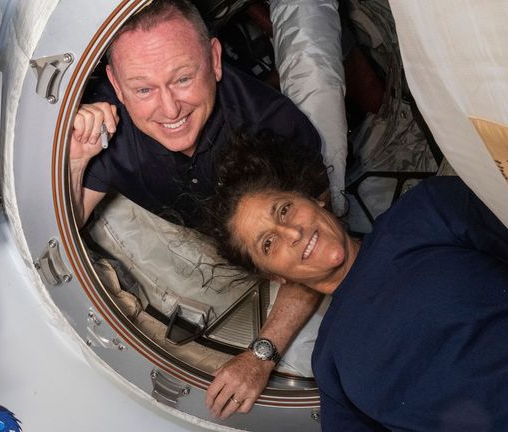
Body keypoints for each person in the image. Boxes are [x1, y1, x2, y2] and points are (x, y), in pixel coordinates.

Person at [204, 131, 508, 430]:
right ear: (275, 276)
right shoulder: (331, 367)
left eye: (284, 209)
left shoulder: (424, 214)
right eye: (268, 243)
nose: (291, 233)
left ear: (313, 198)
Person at [67, 0, 328, 418]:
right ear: (116, 85)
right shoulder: (106, 124)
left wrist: (262, 354)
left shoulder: (273, 127)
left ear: (215, 59)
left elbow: (320, 252)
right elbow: (66, 225)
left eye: (183, 78)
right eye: (143, 89)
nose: (169, 109)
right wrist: (78, 157)